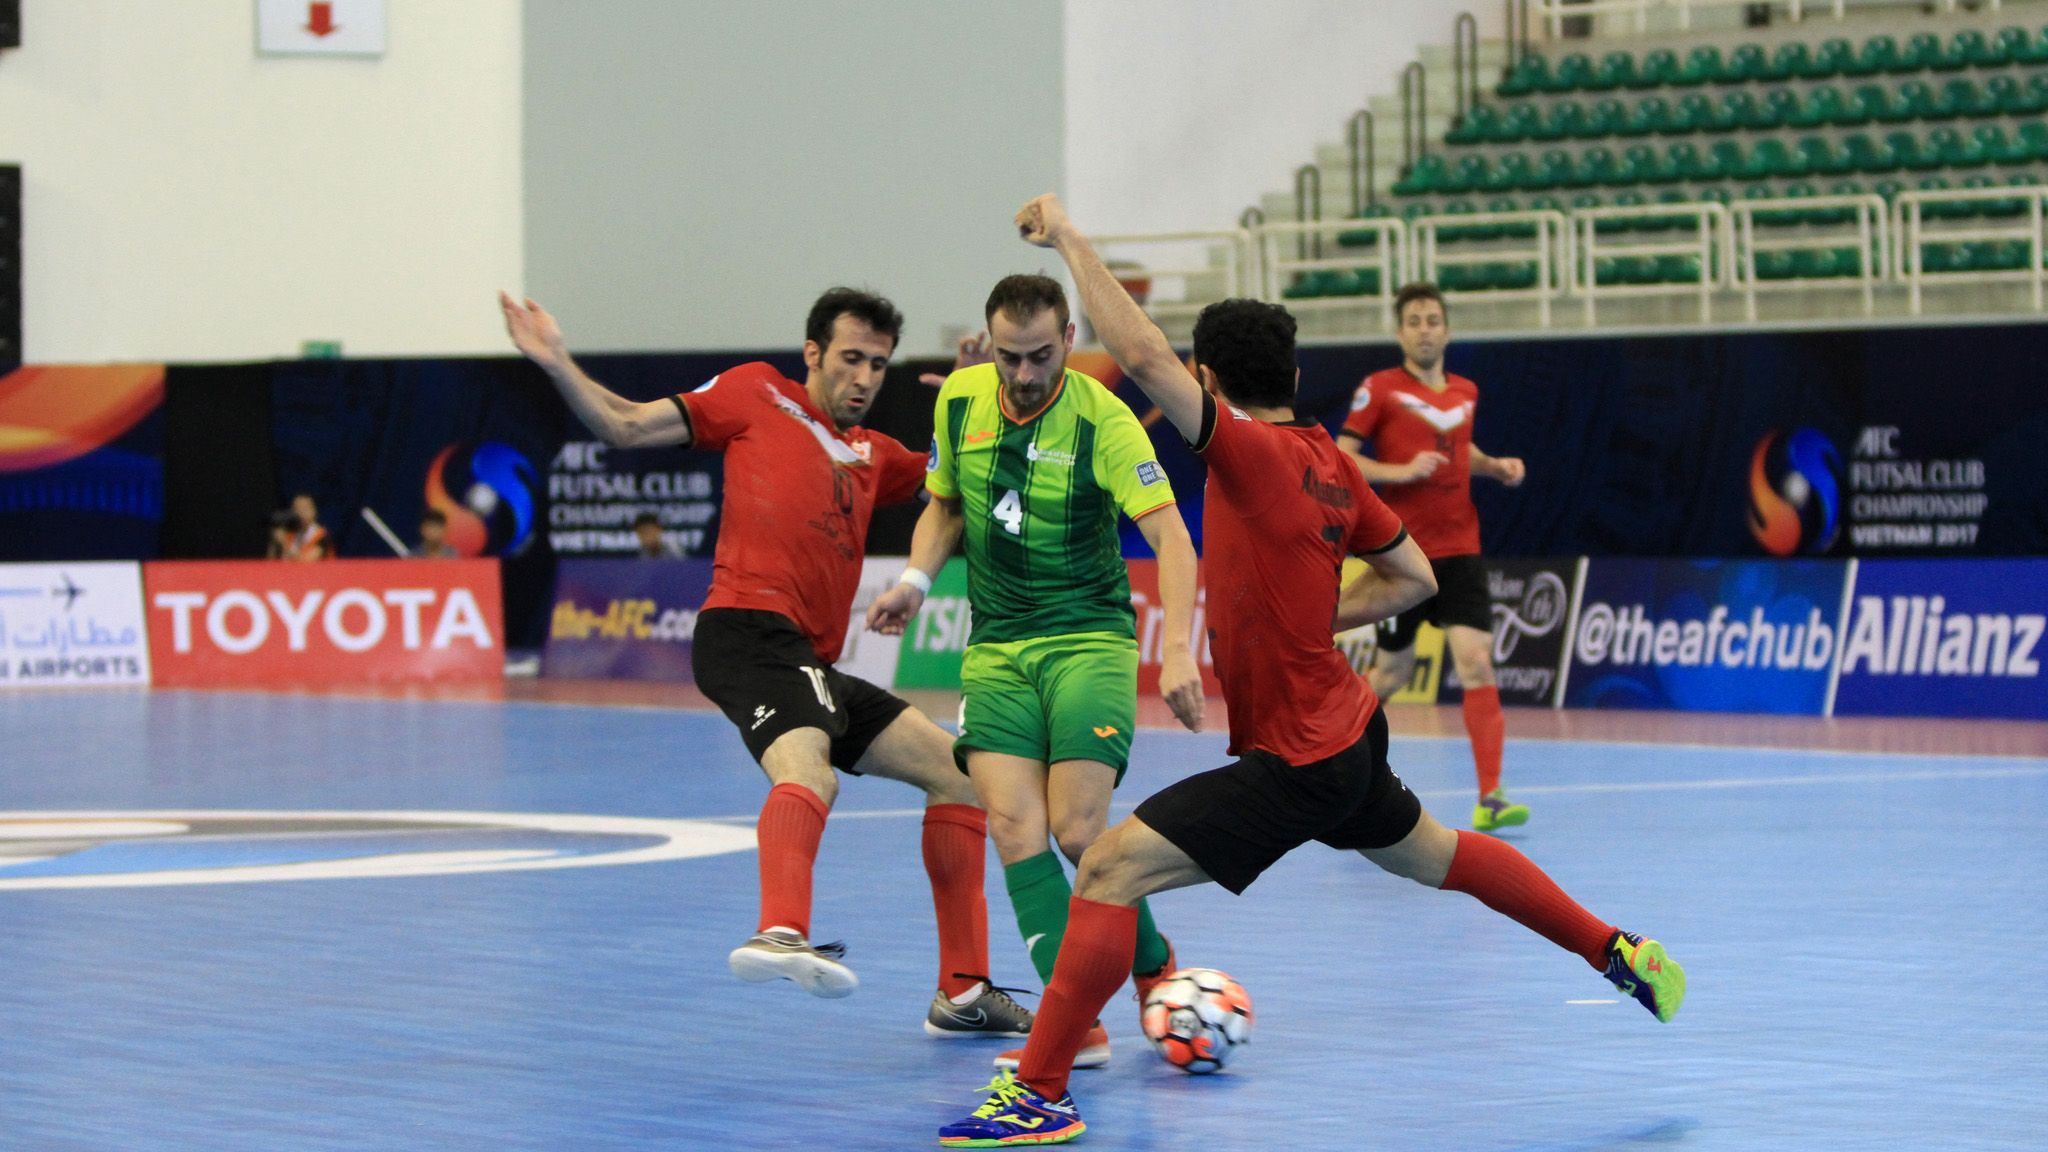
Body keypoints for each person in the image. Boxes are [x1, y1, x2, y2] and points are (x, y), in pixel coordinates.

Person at [936, 195, 1686, 1147]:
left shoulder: (1244, 452)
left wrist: (1071, 240)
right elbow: (1413, 576)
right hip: (1346, 733)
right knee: (1440, 857)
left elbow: (1144, 358)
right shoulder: (1333, 461)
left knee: (1111, 869)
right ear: (1292, 373)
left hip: (1297, 757)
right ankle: (1614, 948)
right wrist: (1311, 615)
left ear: (1212, 379)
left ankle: (1040, 1092)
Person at [500, 287, 1031, 1040]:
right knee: (808, 772)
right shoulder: (757, 394)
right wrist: (556, 361)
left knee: (962, 775)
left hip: (809, 661)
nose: (864, 378)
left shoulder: (876, 456)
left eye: (877, 365)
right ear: (812, 354)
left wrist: (981, 405)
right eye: (850, 359)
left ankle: (963, 990)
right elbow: (622, 424)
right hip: (747, 633)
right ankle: (778, 930)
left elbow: (964, 490)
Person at [868, 274, 1205, 1071]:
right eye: (1010, 358)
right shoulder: (960, 400)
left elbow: (1173, 538)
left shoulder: (1105, 419)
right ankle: (1075, 1028)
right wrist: (915, 584)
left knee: (1080, 830)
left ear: (1069, 338)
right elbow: (944, 504)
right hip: (995, 648)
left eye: (1043, 356)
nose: (1025, 375)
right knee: (1016, 827)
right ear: (990, 343)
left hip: (1088, 638)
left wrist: (1183, 646)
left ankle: (1155, 970)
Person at [1337, 283, 1531, 834]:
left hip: (1461, 553)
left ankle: (1491, 796)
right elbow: (1341, 457)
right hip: (1402, 557)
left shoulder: (1466, 391)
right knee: (1392, 673)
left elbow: (1456, 449)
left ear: (1447, 330)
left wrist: (1493, 467)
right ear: (1400, 332)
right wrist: (1398, 472)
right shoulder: (1379, 389)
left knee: (1476, 662)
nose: (1425, 329)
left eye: (1433, 320)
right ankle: (1337, 765)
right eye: (1415, 321)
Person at [286, 493, 331, 561]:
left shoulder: (321, 535)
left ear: (313, 511)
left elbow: (307, 560)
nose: (300, 513)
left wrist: (282, 542)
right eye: (297, 508)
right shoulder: (290, 534)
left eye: (305, 508)